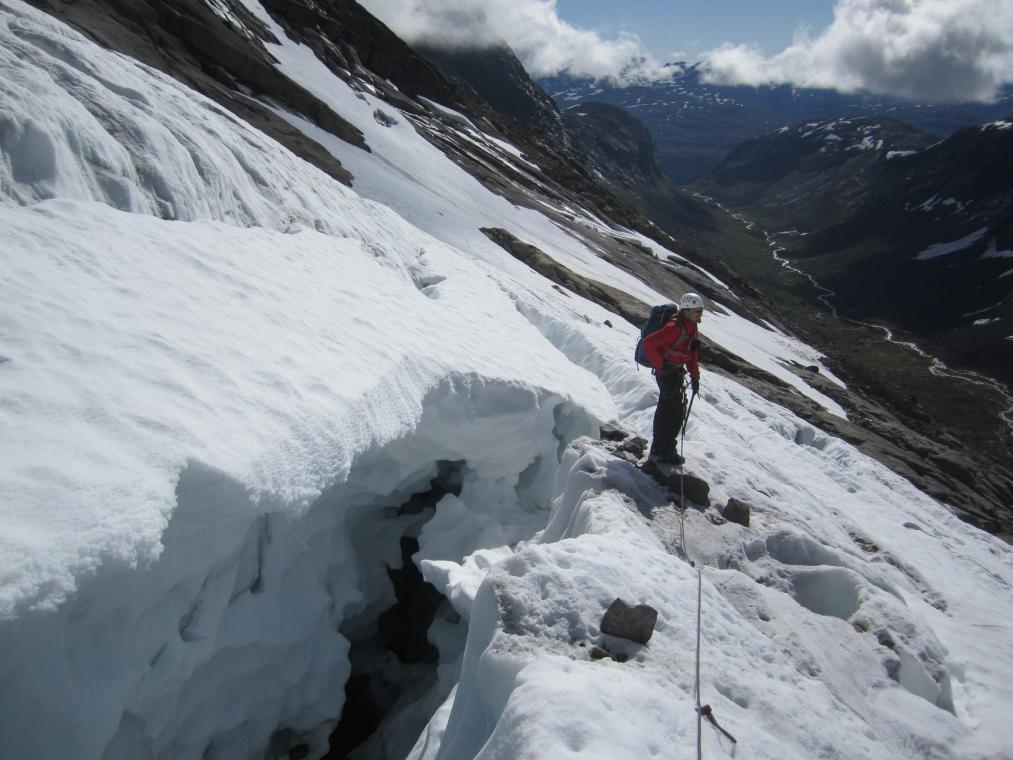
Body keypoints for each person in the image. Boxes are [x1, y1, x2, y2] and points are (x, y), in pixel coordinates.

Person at [642, 293, 703, 466]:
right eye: (697, 311)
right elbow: (648, 343)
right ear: (687, 310)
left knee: (673, 412)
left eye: (700, 311)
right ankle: (661, 451)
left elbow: (691, 355)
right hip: (666, 374)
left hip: (674, 373)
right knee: (669, 412)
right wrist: (661, 366)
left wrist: (695, 377)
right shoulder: (674, 327)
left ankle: (665, 449)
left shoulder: (691, 328)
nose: (700, 315)